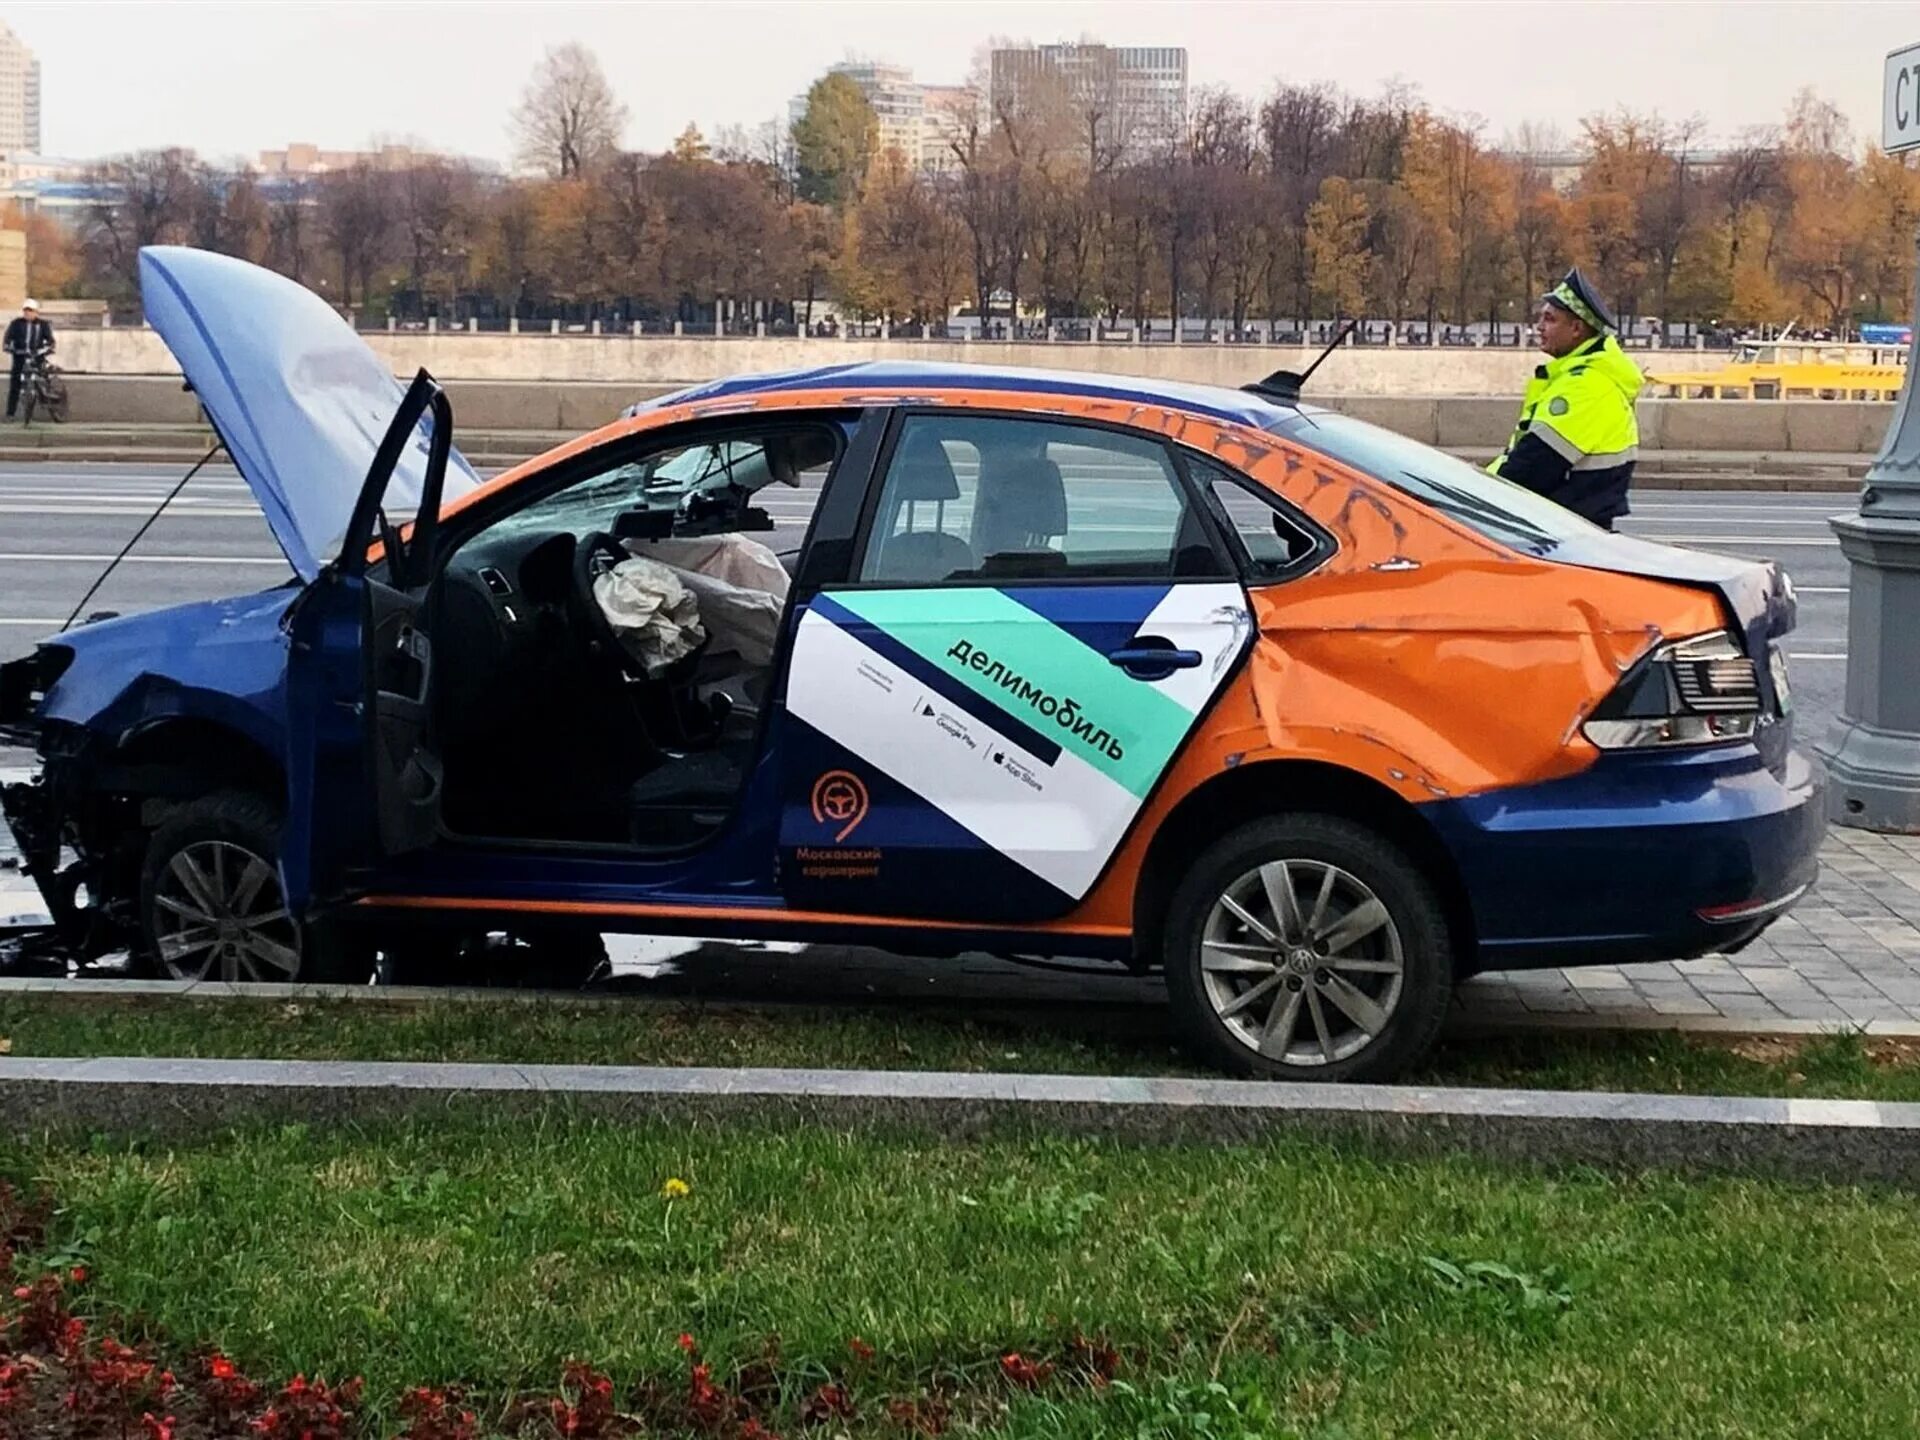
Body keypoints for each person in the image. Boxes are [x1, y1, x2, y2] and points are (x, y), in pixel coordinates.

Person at [1487, 269, 1642, 530]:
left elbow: (1530, 468)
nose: (1539, 327)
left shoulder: (1586, 387)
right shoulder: (1588, 377)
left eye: (1550, 319)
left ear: (1576, 329)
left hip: (1562, 529)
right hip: (1577, 525)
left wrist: (1475, 492)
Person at [4, 299, 53, 421]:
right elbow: (7, 339)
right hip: (20, 357)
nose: (28, 313)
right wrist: (8, 347)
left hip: (37, 357)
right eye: (26, 311)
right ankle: (10, 413)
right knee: (15, 384)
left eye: (30, 311)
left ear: (36, 312)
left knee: (43, 376)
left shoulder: (43, 325)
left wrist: (46, 348)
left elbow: (50, 341)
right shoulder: (16, 324)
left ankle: (49, 396)